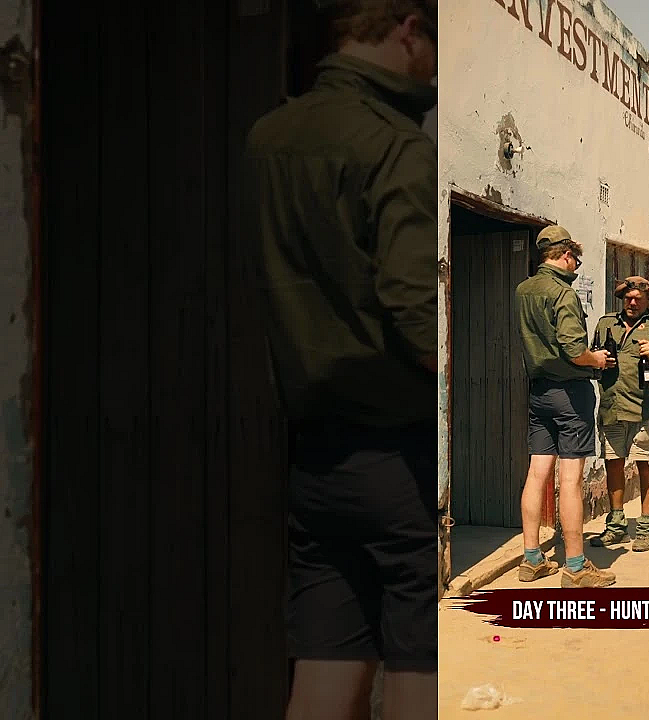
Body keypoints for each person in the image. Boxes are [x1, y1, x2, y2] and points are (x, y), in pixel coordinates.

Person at [246, 1, 439, 718]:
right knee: (423, 667)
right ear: (407, 30)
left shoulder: (270, 136)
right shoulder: (396, 146)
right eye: (433, 45)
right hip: (401, 457)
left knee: (327, 664)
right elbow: (417, 310)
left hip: (316, 458)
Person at [515, 225, 618, 588]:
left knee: (536, 474)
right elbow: (575, 350)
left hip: (539, 391)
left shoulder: (523, 290)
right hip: (570, 394)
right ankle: (575, 567)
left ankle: (531, 560)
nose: (576, 265)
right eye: (575, 258)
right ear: (564, 255)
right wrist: (598, 360)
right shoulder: (563, 293)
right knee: (570, 480)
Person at [590, 276, 649, 552]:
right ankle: (616, 525)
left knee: (646, 465)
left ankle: (644, 527)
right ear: (622, 298)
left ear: (647, 300)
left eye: (638, 299)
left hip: (646, 409)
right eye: (628, 298)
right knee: (613, 464)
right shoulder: (607, 323)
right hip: (612, 406)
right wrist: (601, 361)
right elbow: (593, 359)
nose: (632, 302)